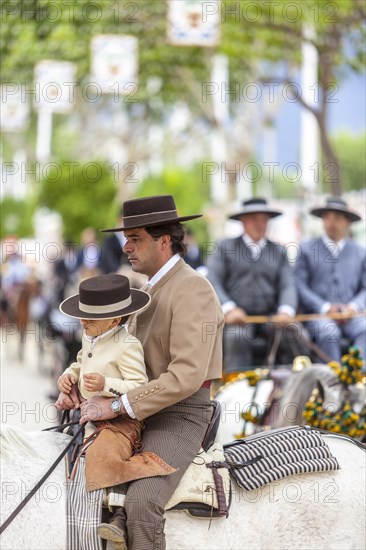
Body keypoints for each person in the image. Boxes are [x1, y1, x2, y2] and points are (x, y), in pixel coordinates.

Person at [77, 195, 224, 550]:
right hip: (141, 410)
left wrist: (115, 406)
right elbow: (119, 356)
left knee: (142, 504)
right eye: (126, 238)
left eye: (135, 238)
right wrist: (79, 382)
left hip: (180, 413)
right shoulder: (149, 288)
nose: (126, 246)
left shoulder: (194, 288)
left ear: (164, 240)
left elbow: (186, 376)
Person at [55, 273, 175, 544]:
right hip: (89, 413)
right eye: (83, 316)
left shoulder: (127, 345)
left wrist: (106, 383)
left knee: (105, 453)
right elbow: (79, 362)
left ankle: (117, 513)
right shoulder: (90, 335)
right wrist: (70, 374)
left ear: (115, 320)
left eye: (91, 318)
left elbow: (139, 385)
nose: (83, 322)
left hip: (121, 418)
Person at [206, 197, 306, 373]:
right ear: (243, 221)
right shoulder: (224, 247)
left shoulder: (279, 251)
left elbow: (287, 285)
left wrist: (285, 310)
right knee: (237, 337)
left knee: (295, 334)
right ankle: (237, 389)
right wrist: (229, 308)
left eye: (263, 219)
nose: (259, 224)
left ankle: (294, 386)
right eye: (254, 219)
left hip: (271, 318)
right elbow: (213, 281)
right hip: (236, 320)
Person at [294, 197, 366, 362]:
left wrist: (354, 307)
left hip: (352, 315)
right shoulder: (307, 249)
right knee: (328, 332)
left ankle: (359, 379)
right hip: (319, 316)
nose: (331, 222)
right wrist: (325, 307)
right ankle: (331, 382)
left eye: (337, 218)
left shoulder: (360, 252)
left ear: (347, 222)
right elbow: (299, 286)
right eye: (327, 217)